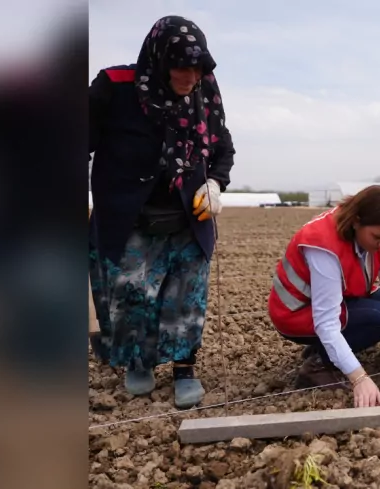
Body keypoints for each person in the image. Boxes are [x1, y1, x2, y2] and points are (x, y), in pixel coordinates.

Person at [89, 15, 235, 409]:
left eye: (198, 67)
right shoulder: (115, 87)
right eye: (181, 66)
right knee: (135, 295)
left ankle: (185, 368)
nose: (190, 76)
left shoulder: (205, 94)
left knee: (187, 298)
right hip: (131, 217)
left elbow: (222, 148)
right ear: (157, 59)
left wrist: (215, 183)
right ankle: (140, 362)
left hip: (189, 219)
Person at [268, 185, 380, 408]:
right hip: (295, 313)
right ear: (356, 220)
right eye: (378, 238)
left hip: (328, 301)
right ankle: (317, 367)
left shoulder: (373, 228)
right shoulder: (323, 246)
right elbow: (326, 322)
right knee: (379, 318)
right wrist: (359, 378)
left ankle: (322, 350)